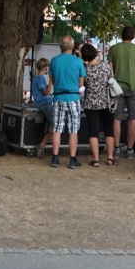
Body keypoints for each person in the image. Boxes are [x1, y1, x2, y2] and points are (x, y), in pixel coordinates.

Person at [107, 27, 135, 158]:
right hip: (134, 87)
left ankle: (116, 148)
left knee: (117, 118)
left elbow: (110, 70)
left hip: (117, 87)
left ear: (121, 35)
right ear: (134, 36)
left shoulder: (113, 49)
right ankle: (129, 150)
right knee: (133, 118)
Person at [48, 35, 85, 169]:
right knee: (73, 130)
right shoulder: (78, 62)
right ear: (73, 47)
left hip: (58, 98)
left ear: (60, 47)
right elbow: (81, 84)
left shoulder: (54, 61)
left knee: (57, 129)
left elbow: (52, 79)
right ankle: (72, 159)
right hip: (73, 98)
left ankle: (55, 158)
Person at [79, 43, 116, 167]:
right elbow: (112, 81)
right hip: (106, 102)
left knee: (93, 131)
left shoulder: (85, 70)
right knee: (109, 129)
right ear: (95, 53)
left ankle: (95, 159)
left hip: (90, 103)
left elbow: (83, 86)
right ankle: (110, 157)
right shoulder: (105, 66)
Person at [31, 58, 54, 160]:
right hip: (44, 104)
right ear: (46, 68)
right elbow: (46, 93)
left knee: (52, 124)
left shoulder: (36, 78)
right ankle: (42, 145)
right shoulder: (40, 78)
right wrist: (50, 82)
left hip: (43, 103)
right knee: (54, 124)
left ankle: (43, 144)